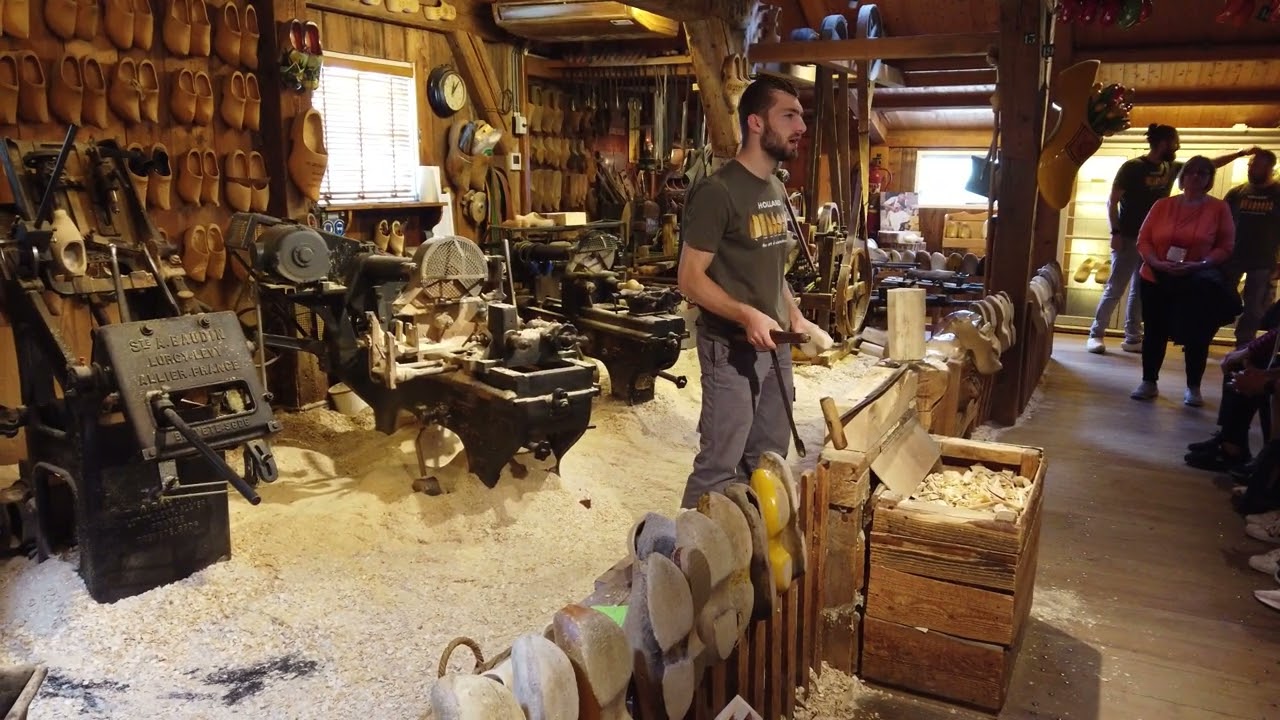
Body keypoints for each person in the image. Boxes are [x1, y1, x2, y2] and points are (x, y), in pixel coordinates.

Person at [676, 75, 823, 509]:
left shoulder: (774, 186)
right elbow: (690, 279)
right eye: (790, 115)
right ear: (757, 123)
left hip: (773, 345)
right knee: (719, 466)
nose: (801, 127)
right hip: (731, 348)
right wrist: (746, 315)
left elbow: (769, 267)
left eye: (801, 116)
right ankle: (689, 564)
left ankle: (747, 551)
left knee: (767, 458)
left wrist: (792, 315)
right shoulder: (717, 191)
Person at [1086, 125, 1245, 354]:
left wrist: (1239, 154)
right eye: (1175, 142)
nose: (1178, 146)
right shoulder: (1133, 167)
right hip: (1129, 237)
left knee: (1140, 290)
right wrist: (1115, 233)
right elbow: (1111, 202)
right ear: (1163, 142)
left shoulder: (1171, 167)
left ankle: (1132, 337)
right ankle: (1096, 334)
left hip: (1154, 242)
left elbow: (1209, 164)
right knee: (1115, 288)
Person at [1131, 155, 1237, 406]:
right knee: (1154, 331)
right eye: (1191, 172)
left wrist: (1201, 264)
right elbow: (1143, 239)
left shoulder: (1218, 208)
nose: (1196, 176)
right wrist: (1155, 262)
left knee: (1197, 334)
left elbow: (1226, 245)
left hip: (1195, 280)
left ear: (1210, 179)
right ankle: (1149, 381)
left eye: (1203, 173)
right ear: (1183, 176)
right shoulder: (1162, 205)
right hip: (1156, 276)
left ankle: (1193, 387)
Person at [1224, 149, 1280, 347]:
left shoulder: (1277, 193)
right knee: (1219, 298)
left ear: (1269, 168)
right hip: (1232, 258)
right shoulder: (1237, 193)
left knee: (1255, 307)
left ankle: (1243, 346)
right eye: (1250, 165)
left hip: (1263, 261)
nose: (1251, 168)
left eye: (1256, 165)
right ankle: (1202, 337)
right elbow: (1222, 223)